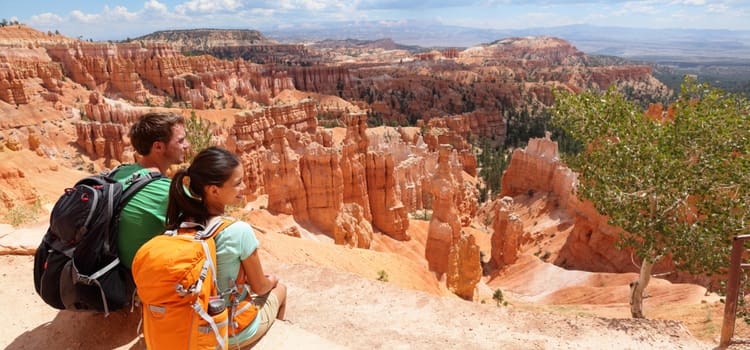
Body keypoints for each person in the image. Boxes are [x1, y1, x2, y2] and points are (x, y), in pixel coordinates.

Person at [165, 146, 287, 347]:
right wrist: (272, 280)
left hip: (189, 326)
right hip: (227, 331)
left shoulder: (180, 224)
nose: (244, 187)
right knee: (280, 289)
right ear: (213, 190)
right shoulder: (238, 231)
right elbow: (259, 286)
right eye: (237, 183)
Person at [112, 112, 189, 270]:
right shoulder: (168, 192)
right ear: (158, 147)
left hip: (113, 270)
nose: (186, 145)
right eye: (180, 141)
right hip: (142, 283)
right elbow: (207, 230)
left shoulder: (120, 172)